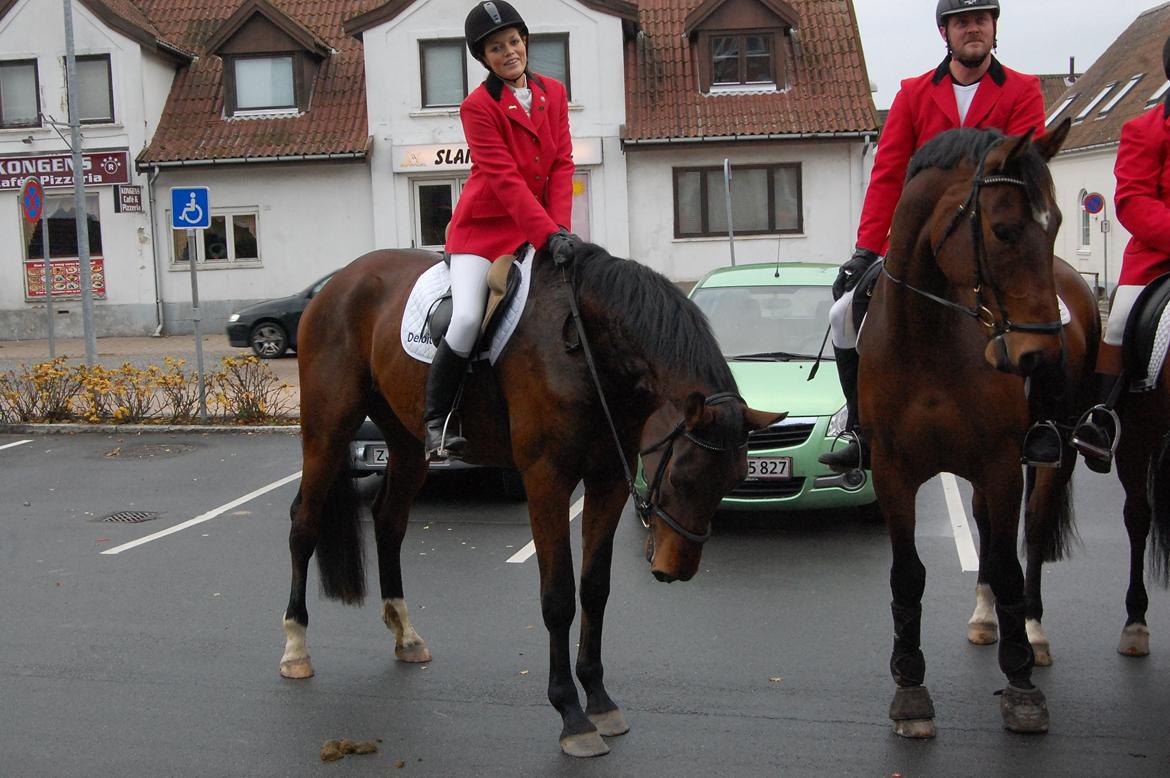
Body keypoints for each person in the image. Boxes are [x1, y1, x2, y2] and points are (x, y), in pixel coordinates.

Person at [819, 0, 1050, 472]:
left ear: (993, 27)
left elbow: (1030, 170)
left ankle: (1047, 423)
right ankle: (862, 428)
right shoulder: (913, 94)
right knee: (844, 310)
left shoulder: (1024, 91)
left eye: (980, 20)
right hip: (922, 247)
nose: (972, 29)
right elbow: (887, 175)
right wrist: (867, 249)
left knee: (1056, 314)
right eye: (962, 22)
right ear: (945, 32)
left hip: (998, 246)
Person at [424, 0, 579, 460]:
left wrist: (562, 230)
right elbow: (505, 180)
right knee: (469, 316)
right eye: (496, 47)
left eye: (513, 41)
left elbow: (562, 165)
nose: (509, 52)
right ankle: (437, 419)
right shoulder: (477, 106)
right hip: (482, 232)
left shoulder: (554, 92)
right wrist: (546, 235)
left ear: (525, 41)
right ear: (484, 57)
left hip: (538, 229)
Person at [1071, 34, 1170, 473]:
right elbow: (1132, 199)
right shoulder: (1143, 130)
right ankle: (1104, 418)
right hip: (1156, 259)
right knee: (1122, 319)